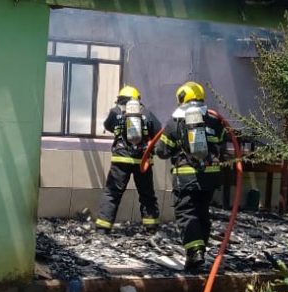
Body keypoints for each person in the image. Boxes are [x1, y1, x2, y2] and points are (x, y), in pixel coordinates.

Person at [155, 81, 224, 273]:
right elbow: (223, 145)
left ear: (181, 98)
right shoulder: (214, 121)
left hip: (186, 178)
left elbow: (162, 151)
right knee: (202, 212)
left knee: (186, 213)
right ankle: (198, 252)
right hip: (209, 178)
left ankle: (194, 252)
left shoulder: (174, 122)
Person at [95, 85, 162, 232]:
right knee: (147, 194)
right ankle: (151, 227)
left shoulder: (116, 112)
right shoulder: (146, 113)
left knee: (112, 193)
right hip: (142, 161)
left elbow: (107, 125)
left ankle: (103, 228)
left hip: (121, 160)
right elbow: (158, 131)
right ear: (138, 99)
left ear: (120, 99)